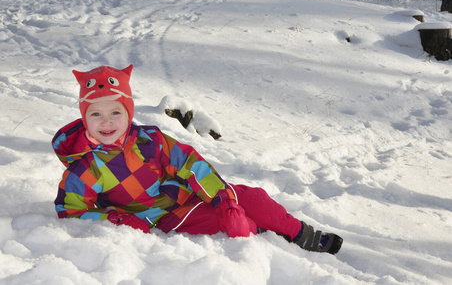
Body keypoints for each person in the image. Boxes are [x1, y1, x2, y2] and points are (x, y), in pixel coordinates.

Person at [52, 65, 343, 255]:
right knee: (226, 224)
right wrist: (116, 218)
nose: (106, 122)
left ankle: (301, 233)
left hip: (191, 192)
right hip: (166, 215)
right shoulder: (85, 167)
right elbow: (71, 211)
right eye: (96, 114)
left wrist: (222, 198)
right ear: (84, 118)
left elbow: (189, 163)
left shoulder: (149, 141)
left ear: (129, 112)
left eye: (115, 112)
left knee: (250, 197)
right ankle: (264, 232)